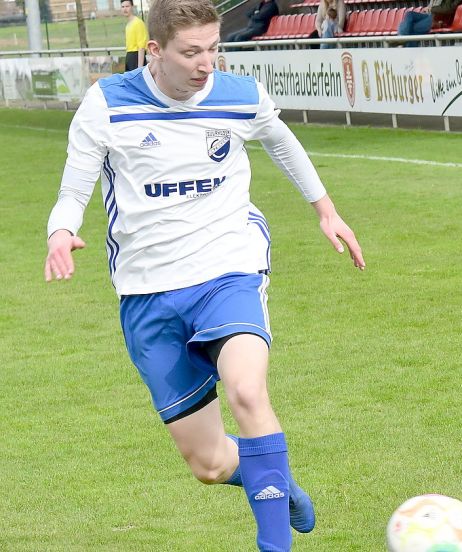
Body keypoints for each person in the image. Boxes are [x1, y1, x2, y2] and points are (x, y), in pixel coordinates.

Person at [43, 0, 365, 551]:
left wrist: (325, 210)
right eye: (191, 52)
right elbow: (75, 188)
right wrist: (59, 232)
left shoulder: (238, 95)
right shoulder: (107, 105)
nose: (205, 63)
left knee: (246, 388)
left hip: (228, 267)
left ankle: (274, 545)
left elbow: (280, 140)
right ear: (154, 51)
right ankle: (274, 479)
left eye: (213, 48)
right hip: (148, 291)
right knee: (210, 464)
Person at [396, 0, 462, 47]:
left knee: (411, 28)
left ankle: (402, 39)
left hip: (440, 18)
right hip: (430, 15)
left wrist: (431, 8)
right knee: (409, 14)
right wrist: (429, 8)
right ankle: (402, 37)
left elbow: (450, 8)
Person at [121, 0, 148, 71]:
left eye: (127, 6)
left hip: (136, 58)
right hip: (129, 57)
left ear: (132, 7)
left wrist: (139, 68)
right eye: (123, 7)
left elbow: (141, 47)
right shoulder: (128, 25)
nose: (125, 9)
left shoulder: (138, 23)